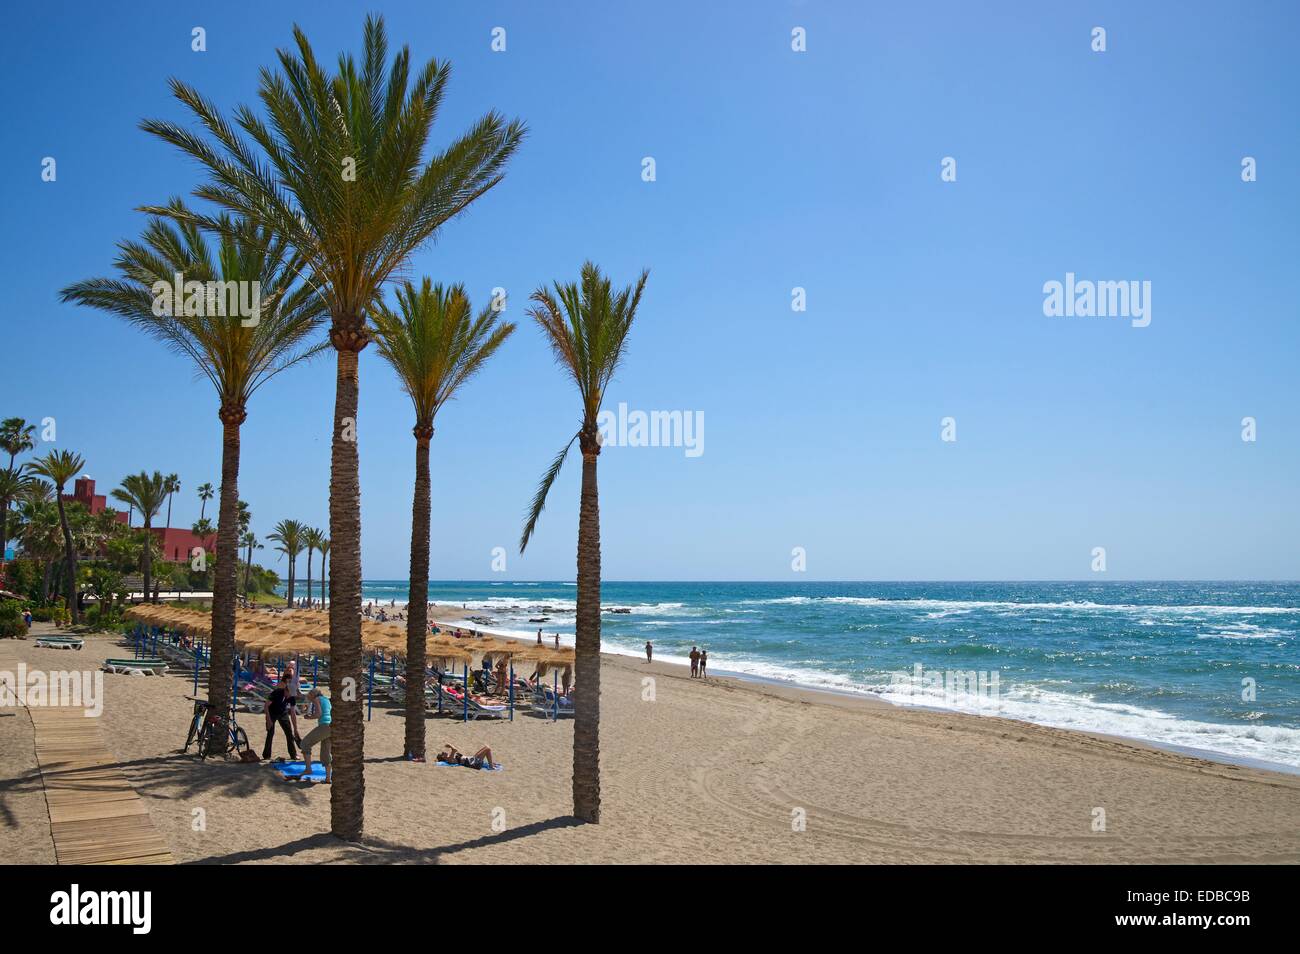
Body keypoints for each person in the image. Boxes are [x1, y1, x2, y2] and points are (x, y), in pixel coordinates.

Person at [291, 688, 332, 783]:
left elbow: (318, 714)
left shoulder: (316, 699)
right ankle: (328, 778)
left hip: (324, 726)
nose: (309, 698)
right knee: (326, 752)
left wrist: (308, 717)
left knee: (305, 743)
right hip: (332, 726)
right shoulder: (326, 699)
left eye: (309, 696)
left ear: (313, 695)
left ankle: (308, 769)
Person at [262, 674, 298, 761]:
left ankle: (293, 754)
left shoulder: (291, 697)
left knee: (289, 733)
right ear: (286, 690)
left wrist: (296, 728)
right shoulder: (277, 692)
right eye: (290, 694)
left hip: (282, 712)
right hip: (272, 712)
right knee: (270, 733)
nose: (290, 696)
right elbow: (266, 706)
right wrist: (269, 719)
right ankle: (266, 755)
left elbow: (293, 713)